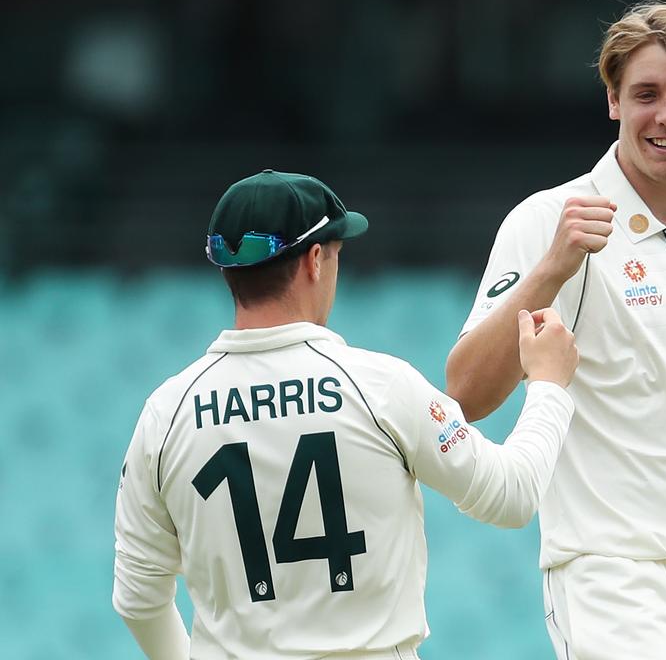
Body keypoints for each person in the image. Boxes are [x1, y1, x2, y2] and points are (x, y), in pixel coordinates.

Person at [112, 170, 579, 659]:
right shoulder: (381, 387)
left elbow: (139, 600)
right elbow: (512, 496)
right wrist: (548, 385)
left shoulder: (166, 414)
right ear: (315, 260)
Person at [446, 0, 666, 659]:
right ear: (613, 101)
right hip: (615, 575)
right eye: (646, 94)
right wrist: (551, 269)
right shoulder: (549, 219)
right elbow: (464, 392)